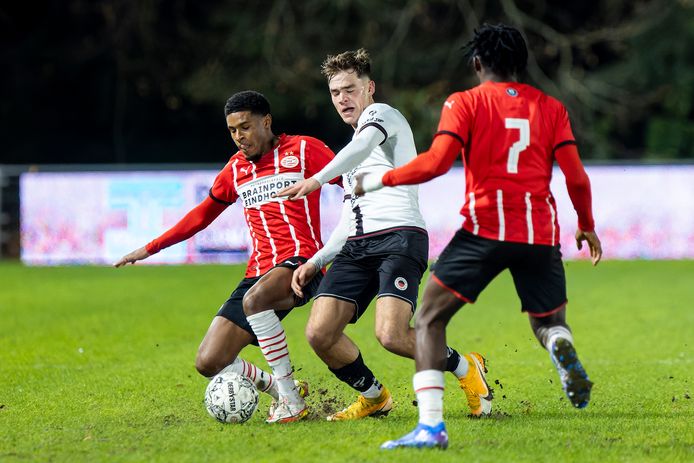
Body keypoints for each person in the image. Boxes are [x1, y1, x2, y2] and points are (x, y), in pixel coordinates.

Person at [353, 24, 602, 449]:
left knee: (430, 317)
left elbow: (435, 163)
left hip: (484, 229)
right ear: (521, 65)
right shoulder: (551, 107)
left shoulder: (464, 102)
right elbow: (576, 176)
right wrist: (586, 223)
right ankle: (560, 344)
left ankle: (431, 427)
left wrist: (380, 179)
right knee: (548, 323)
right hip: (538, 232)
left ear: (476, 63)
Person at [278, 49, 491, 422]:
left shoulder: (382, 115)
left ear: (369, 87)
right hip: (357, 247)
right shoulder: (349, 166)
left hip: (400, 236)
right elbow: (349, 219)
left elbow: (361, 145)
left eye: (350, 89)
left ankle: (465, 368)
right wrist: (317, 260)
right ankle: (374, 397)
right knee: (319, 333)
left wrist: (315, 179)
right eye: (335, 93)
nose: (343, 99)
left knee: (391, 335)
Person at [114, 90, 339, 423]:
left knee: (256, 300)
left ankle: (291, 402)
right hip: (257, 274)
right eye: (232, 130)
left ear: (266, 121)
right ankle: (282, 390)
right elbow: (201, 216)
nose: (238, 137)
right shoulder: (235, 170)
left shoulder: (305, 149)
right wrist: (151, 247)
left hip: (300, 263)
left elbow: (349, 179)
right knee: (209, 361)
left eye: (245, 127)